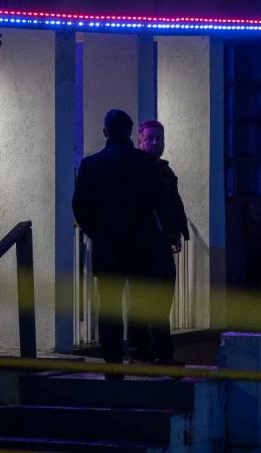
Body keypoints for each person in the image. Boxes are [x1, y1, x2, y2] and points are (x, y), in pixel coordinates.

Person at [72, 109, 177, 379]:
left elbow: (80, 207)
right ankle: (156, 355)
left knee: (109, 309)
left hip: (108, 247)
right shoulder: (146, 163)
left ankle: (113, 366)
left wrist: (98, 233)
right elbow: (161, 202)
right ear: (131, 132)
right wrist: (166, 235)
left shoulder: (90, 165)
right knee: (146, 303)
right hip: (143, 246)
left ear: (105, 131)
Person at [127, 119, 190, 363]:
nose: (155, 143)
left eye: (158, 138)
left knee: (160, 298)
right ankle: (146, 352)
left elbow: (173, 203)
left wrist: (177, 232)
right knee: (143, 300)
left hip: (160, 243)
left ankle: (155, 352)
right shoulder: (139, 170)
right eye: (150, 138)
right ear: (140, 141)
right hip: (143, 245)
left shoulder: (163, 169)